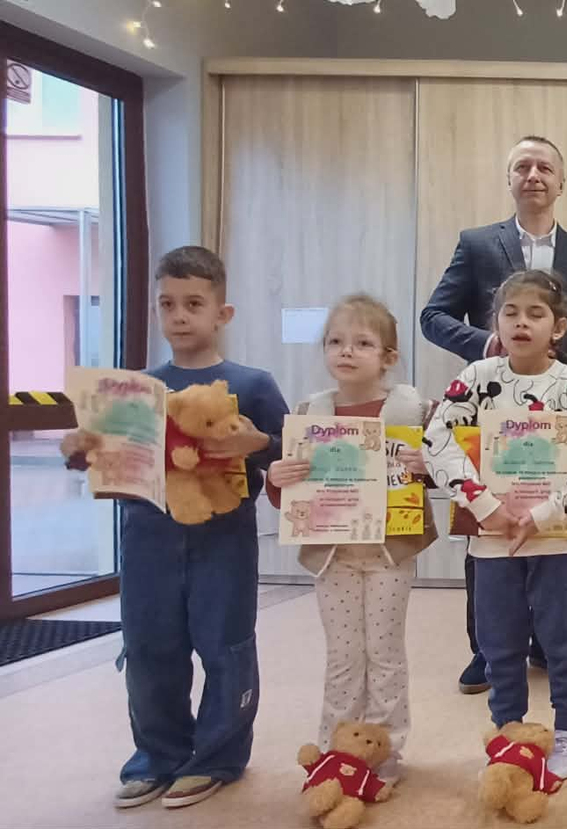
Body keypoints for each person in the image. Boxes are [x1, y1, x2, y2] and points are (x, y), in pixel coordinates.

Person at [61, 246, 286, 809]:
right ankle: (157, 756)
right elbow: (107, 461)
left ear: (222, 313)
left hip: (224, 541)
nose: (179, 316)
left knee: (226, 647)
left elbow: (293, 452)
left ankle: (216, 757)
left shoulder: (252, 383)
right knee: (148, 648)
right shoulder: (132, 389)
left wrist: (260, 442)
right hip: (147, 541)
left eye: (193, 304)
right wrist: (80, 450)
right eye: (167, 304)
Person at [418, 135, 567, 695]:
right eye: (522, 166)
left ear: (561, 182)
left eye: (545, 167)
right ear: (509, 179)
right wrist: (488, 344)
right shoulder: (476, 243)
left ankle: (547, 642)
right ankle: (485, 649)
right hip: (491, 409)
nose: (534, 175)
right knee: (487, 523)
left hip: (563, 413)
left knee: (550, 525)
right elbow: (433, 316)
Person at [422, 269, 567, 784]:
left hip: (556, 542)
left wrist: (547, 512)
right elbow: (436, 440)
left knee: (562, 642)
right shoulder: (475, 378)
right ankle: (507, 729)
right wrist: (484, 504)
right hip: (492, 542)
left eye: (535, 314)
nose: (521, 323)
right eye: (510, 313)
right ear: (496, 323)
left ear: (558, 327)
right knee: (499, 643)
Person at [266, 295, 437, 784]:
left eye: (362, 343)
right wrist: (276, 477)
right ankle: (336, 747)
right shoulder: (310, 413)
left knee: (384, 652)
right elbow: (289, 494)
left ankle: (384, 749)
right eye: (335, 341)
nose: (346, 351)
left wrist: (429, 465)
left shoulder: (413, 409)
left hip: (390, 552)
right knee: (342, 654)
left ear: (388, 356)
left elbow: (446, 473)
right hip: (332, 555)